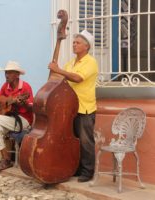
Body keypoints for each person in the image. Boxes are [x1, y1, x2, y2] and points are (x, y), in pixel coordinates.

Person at [48, 30, 98, 182]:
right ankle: (75, 168)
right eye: (74, 42)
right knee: (73, 140)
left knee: (85, 141)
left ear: (86, 46)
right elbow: (60, 77)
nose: (74, 45)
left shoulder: (91, 62)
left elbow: (77, 78)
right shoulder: (71, 62)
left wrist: (59, 70)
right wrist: (53, 72)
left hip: (85, 107)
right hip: (69, 108)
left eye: (77, 43)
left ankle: (88, 172)